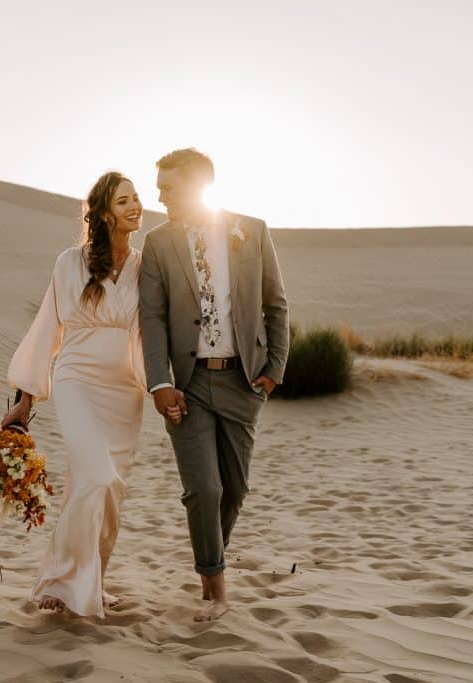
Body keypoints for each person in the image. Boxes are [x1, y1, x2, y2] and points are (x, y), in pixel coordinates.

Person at [139, 148, 290, 622]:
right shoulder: (157, 242)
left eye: (169, 187)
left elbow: (276, 304)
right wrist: (159, 383)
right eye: (159, 187)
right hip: (187, 382)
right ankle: (216, 589)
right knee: (203, 488)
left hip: (243, 381)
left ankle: (209, 563)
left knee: (235, 489)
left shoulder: (253, 230)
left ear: (200, 185)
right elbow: (153, 316)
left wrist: (275, 368)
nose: (159, 196)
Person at [2, 171, 151, 618]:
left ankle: (93, 579)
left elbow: (153, 333)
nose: (136, 206)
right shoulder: (69, 262)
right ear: (104, 213)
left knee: (108, 490)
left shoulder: (147, 265)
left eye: (137, 198)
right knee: (96, 476)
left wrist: (163, 387)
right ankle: (61, 578)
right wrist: (25, 401)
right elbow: (46, 329)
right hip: (76, 381)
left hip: (126, 392)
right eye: (124, 201)